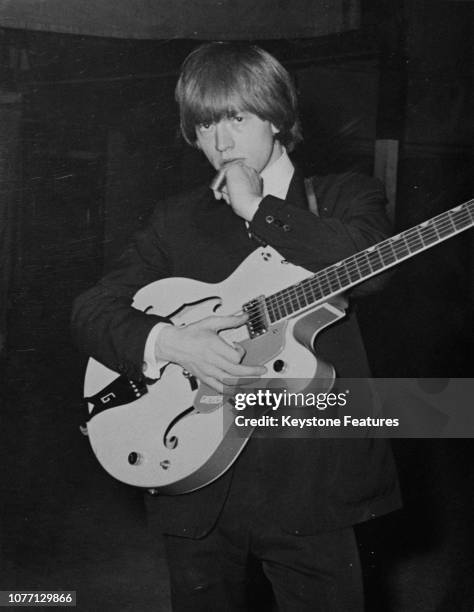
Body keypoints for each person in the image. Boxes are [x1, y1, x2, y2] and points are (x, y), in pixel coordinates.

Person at [72, 42, 401, 611]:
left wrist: (259, 211)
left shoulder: (348, 195)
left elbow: (368, 268)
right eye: (203, 126)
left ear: (276, 116)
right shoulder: (177, 218)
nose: (220, 142)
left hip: (311, 488)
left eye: (236, 118)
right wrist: (171, 342)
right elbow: (92, 309)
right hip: (197, 482)